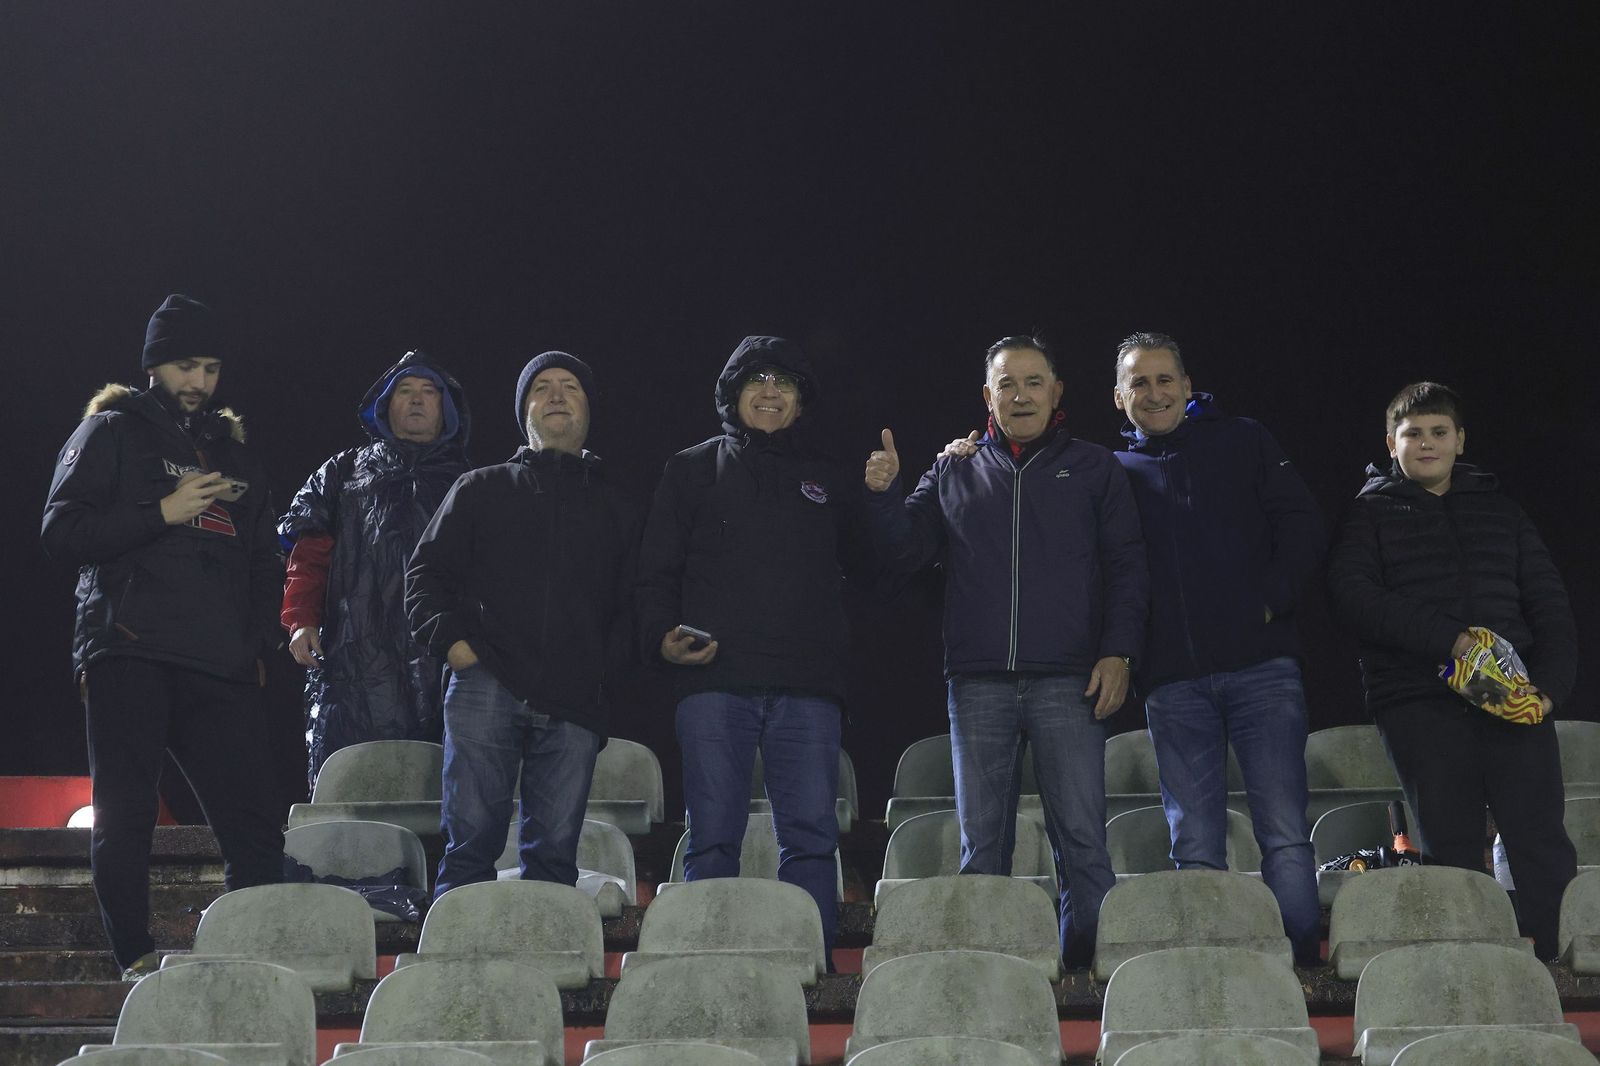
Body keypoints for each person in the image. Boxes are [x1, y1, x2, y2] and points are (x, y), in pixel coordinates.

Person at [863, 334, 1147, 967]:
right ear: (987, 395)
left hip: (1071, 681)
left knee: (1082, 843)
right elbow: (903, 555)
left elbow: (1127, 568)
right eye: (1007, 384)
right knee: (982, 847)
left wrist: (1118, 653)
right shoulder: (954, 467)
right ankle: (986, 982)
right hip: (978, 682)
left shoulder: (1096, 467)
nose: (1021, 396)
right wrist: (885, 494)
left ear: (1057, 392)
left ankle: (1090, 982)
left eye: (1034, 382)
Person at [41, 294, 286, 981]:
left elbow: (268, 558)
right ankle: (135, 961)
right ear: (153, 366)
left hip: (222, 662)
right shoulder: (110, 432)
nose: (198, 382)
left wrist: (258, 639)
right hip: (130, 649)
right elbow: (61, 533)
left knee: (255, 826)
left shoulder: (241, 457)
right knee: (125, 815)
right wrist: (162, 512)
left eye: (209, 367)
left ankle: (255, 963)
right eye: (185, 365)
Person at [636, 336, 874, 959]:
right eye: (758, 380)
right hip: (714, 685)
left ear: (800, 402)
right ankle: (702, 961)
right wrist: (661, 636)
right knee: (713, 837)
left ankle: (811, 964)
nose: (771, 392)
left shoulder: (828, 477)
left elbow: (884, 563)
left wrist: (883, 495)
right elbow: (655, 571)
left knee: (811, 839)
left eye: (786, 383)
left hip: (807, 688)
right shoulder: (689, 469)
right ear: (732, 393)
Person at [1327, 381, 1577, 958]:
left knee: (1540, 842)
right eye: (1413, 434)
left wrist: (1548, 692)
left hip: (1514, 702)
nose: (1427, 443)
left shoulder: (1503, 512)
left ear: (1460, 440)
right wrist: (1453, 640)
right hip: (1418, 700)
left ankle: (1562, 976)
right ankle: (1468, 970)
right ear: (1392, 443)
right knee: (1451, 846)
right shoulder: (1367, 515)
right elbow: (1354, 598)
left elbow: (1552, 610)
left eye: (1439, 432)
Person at [1109, 332, 1325, 967]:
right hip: (1173, 682)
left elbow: (1302, 523)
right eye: (1139, 383)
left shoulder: (1244, 439)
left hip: (1262, 669)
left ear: (1186, 384)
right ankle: (1212, 971)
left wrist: (1269, 601)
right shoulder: (1112, 473)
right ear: (1119, 397)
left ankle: (1304, 973)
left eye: (1164, 379)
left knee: (1284, 836)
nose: (1154, 393)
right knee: (1194, 843)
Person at [405, 351, 639, 897]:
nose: (556, 395)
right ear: (524, 410)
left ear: (589, 410)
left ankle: (544, 979)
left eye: (570, 387)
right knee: (468, 855)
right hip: (485, 686)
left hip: (576, 701)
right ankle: (450, 976)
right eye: (542, 387)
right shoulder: (479, 488)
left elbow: (633, 605)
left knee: (555, 862)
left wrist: (604, 672)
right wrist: (458, 648)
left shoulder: (618, 509)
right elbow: (423, 579)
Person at [278, 351, 471, 786]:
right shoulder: (342, 472)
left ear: (447, 409)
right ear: (385, 405)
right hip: (357, 658)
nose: (417, 400)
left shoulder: (470, 481)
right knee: (358, 784)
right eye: (405, 391)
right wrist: (301, 621)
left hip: (446, 655)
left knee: (449, 791)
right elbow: (307, 554)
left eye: (428, 392)